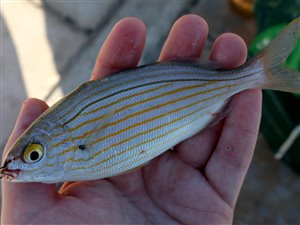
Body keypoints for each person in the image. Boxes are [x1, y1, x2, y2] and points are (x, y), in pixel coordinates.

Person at [1, 14, 261, 224]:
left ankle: (259, 73)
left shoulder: (78, 160)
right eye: (33, 155)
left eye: (34, 155)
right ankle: (258, 73)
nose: (19, 168)